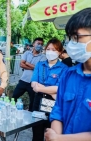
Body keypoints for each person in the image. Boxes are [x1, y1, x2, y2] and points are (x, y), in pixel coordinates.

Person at [45, 8, 91, 141]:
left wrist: (58, 139)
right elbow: (58, 111)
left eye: (76, 37)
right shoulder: (69, 74)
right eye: (70, 38)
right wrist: (56, 136)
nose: (71, 43)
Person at [31, 38, 68, 141]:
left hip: (54, 104)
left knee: (50, 135)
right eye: (48, 49)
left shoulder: (64, 68)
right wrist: (52, 92)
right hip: (38, 101)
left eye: (54, 50)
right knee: (36, 134)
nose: (50, 52)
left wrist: (41, 88)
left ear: (60, 52)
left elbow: (59, 88)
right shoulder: (40, 65)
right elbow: (34, 85)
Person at [12, 38, 46, 111]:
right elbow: (21, 64)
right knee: (14, 96)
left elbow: (39, 68)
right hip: (23, 80)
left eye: (41, 44)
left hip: (34, 83)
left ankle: (30, 117)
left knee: (32, 102)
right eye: (38, 43)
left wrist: (27, 63)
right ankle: (12, 110)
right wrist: (34, 67)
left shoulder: (43, 57)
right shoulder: (27, 53)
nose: (40, 45)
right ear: (33, 44)